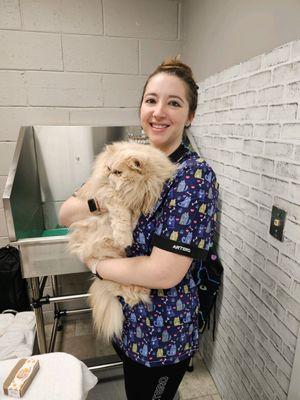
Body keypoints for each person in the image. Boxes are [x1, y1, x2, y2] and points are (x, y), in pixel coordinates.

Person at [59, 58, 219, 400]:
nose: (159, 111)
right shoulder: (124, 155)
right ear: (141, 108)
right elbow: (66, 214)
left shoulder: (192, 177)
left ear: (190, 116)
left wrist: (97, 266)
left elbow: (164, 272)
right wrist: (100, 202)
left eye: (174, 103)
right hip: (129, 327)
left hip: (162, 338)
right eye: (151, 100)